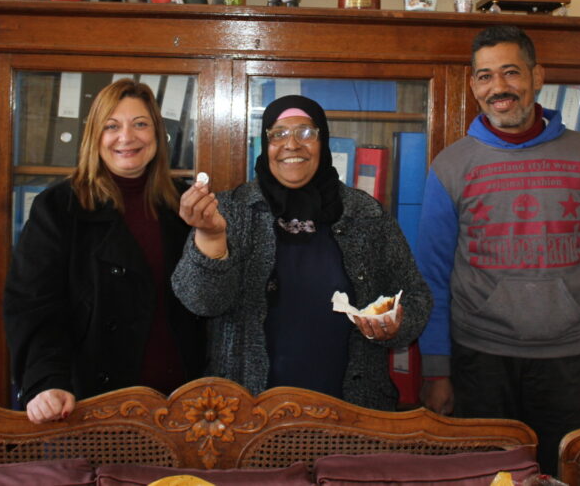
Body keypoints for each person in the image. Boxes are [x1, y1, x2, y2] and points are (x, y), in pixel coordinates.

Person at [415, 25, 580, 475]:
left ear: (537, 76)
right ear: (473, 85)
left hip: (566, 361)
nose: (499, 87)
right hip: (479, 361)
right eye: (485, 76)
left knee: (557, 476)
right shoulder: (450, 166)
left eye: (511, 72)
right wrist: (436, 371)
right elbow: (431, 276)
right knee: (484, 479)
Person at [172, 95, 432, 410]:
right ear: (265, 144)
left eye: (306, 132)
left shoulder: (365, 213)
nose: (292, 144)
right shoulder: (230, 210)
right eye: (278, 134)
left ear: (323, 141)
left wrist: (396, 324)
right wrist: (211, 236)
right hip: (247, 413)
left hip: (353, 411)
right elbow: (201, 303)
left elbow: (416, 297)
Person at [4, 78, 205, 424]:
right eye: (112, 126)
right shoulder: (59, 207)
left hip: (181, 404)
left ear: (158, 134)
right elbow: (34, 306)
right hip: (92, 404)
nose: (126, 137)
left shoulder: (182, 204)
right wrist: (47, 381)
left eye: (140, 124)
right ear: (94, 136)